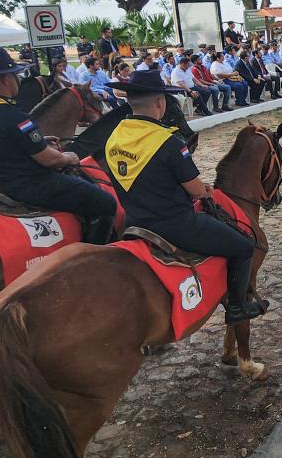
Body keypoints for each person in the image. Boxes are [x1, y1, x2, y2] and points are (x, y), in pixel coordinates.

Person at [105, 68, 267, 323]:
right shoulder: (168, 142)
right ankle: (237, 307)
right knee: (244, 247)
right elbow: (195, 189)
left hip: (133, 222)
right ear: (160, 103)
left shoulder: (115, 137)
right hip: (176, 225)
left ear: (129, 101)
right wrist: (206, 190)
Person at [0, 47, 117, 244]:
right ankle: (94, 251)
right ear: (6, 79)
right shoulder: (11, 115)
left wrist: (38, 140)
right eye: (15, 75)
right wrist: (68, 157)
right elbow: (49, 160)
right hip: (23, 184)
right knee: (105, 203)